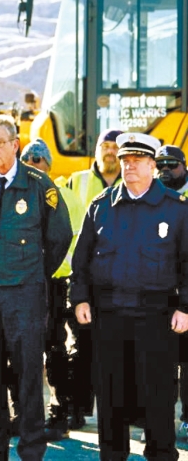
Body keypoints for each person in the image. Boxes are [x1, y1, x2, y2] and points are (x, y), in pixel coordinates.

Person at [71, 132, 188, 461]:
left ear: (153, 165)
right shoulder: (101, 207)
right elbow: (81, 261)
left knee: (159, 394)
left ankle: (162, 454)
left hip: (157, 317)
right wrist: (79, 298)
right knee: (110, 395)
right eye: (125, 160)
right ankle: (112, 455)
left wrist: (185, 307)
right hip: (109, 316)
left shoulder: (176, 211)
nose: (129, 166)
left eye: (137, 161)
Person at [0, 115, 71, 461]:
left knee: (27, 375)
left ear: (15, 144)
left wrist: (31, 272)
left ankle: (31, 449)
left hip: (25, 292)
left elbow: (59, 238)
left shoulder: (40, 185)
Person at [18, 140, 85, 441]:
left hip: (54, 284)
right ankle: (21, 413)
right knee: (15, 351)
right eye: (27, 157)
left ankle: (59, 414)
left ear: (48, 164)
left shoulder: (68, 197)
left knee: (54, 349)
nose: (33, 162)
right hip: (14, 285)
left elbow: (80, 245)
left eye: (39, 158)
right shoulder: (8, 193)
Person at [64, 129, 121, 429]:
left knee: (123, 351)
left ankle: (124, 411)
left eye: (116, 147)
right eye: (105, 146)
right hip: (84, 278)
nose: (110, 152)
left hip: (123, 282)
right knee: (81, 348)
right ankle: (78, 408)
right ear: (97, 150)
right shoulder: (76, 181)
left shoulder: (137, 181)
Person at [156, 145, 188, 438]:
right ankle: (159, 420)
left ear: (184, 166)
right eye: (160, 165)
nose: (165, 170)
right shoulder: (154, 195)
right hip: (161, 291)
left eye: (172, 165)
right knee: (161, 361)